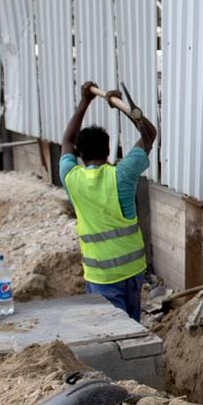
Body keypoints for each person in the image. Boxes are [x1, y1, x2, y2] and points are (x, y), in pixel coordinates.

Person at [59, 82, 158, 321]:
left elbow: (67, 140)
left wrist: (85, 101)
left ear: (80, 155)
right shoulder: (122, 175)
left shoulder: (72, 179)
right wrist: (126, 110)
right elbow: (149, 134)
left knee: (112, 332)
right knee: (132, 326)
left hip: (101, 277)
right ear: (108, 150)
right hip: (133, 271)